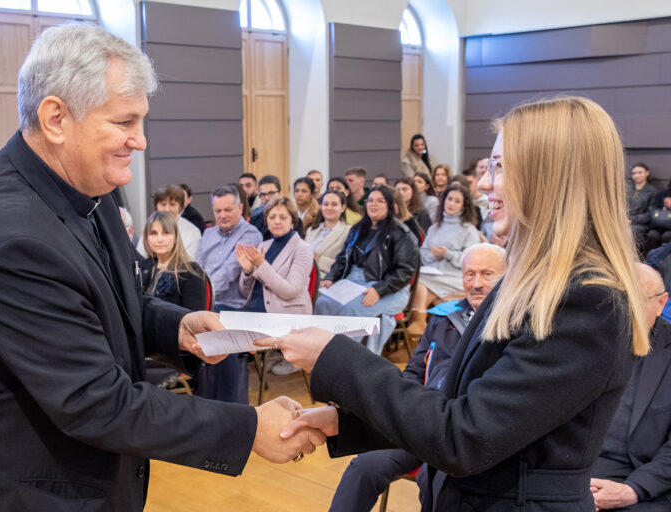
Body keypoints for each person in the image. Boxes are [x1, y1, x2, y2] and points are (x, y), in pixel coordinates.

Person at [0, 25, 325, 511]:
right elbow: (96, 403)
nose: (141, 140)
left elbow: (110, 296)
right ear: (56, 119)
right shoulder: (14, 240)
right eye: (124, 121)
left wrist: (176, 327)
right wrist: (249, 428)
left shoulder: (90, 185)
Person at [272, 96, 650, 512]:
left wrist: (335, 356)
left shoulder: (584, 300)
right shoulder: (535, 282)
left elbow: (465, 438)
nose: (484, 183)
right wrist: (348, 423)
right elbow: (465, 408)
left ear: (549, 176)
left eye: (500, 166)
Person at [328, 243, 506, 512]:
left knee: (432, 481)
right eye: (469, 274)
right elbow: (414, 372)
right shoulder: (444, 317)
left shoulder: (512, 326)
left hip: (464, 433)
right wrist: (401, 411)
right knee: (364, 466)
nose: (476, 283)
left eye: (487, 274)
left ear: (506, 276)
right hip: (422, 421)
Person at [590, 264, 671, 511]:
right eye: (615, 299)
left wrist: (632, 490)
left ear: (661, 303)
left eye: (633, 300)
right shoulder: (582, 340)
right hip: (569, 476)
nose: (622, 310)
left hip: (642, 482)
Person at [315, 187, 419, 355]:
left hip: (389, 287)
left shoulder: (401, 233)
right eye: (370, 200)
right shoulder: (358, 228)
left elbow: (404, 271)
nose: (373, 204)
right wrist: (331, 278)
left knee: (352, 309)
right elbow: (343, 258)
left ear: (390, 205)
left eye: (380, 201)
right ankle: (321, 353)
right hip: (353, 281)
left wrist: (379, 290)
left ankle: (348, 359)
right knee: (323, 302)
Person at [196, 185, 263, 403]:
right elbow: (198, 269)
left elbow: (228, 274)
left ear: (240, 208)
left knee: (216, 323)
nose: (222, 215)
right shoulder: (208, 233)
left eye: (228, 210)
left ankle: (230, 404)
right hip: (208, 301)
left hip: (237, 305)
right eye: (218, 211)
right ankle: (205, 401)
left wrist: (201, 297)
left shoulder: (250, 235)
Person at [237, 197, 314, 375]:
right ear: (267, 221)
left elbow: (290, 291)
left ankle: (234, 385)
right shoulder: (264, 245)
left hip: (284, 313)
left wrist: (261, 265)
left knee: (227, 334)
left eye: (283, 217)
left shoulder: (303, 248)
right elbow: (244, 292)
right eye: (272, 217)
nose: (277, 221)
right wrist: (247, 271)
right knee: (217, 318)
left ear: (292, 221)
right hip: (255, 309)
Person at [409, 184, 481, 335]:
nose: (451, 203)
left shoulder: (469, 229)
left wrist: (447, 254)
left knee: (420, 284)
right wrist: (433, 256)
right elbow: (423, 253)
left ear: (464, 206)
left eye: (457, 201)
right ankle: (419, 326)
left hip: (455, 277)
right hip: (435, 274)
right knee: (421, 281)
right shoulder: (434, 227)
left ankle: (417, 322)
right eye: (449, 199)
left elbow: (471, 260)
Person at [140, 211, 205, 310]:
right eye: (153, 233)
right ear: (146, 238)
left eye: (166, 233)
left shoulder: (190, 271)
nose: (159, 239)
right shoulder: (143, 266)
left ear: (175, 237)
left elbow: (195, 314)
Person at [138, 184, 201, 259]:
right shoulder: (149, 227)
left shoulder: (193, 231)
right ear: (156, 206)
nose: (167, 209)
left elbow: (190, 261)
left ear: (180, 207)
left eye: (172, 204)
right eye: (163, 204)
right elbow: (140, 256)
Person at [305, 190, 352, 279]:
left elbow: (347, 266)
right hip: (305, 276)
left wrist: (318, 259)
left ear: (343, 208)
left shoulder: (349, 231)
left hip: (327, 279)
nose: (329, 208)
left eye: (334, 204)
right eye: (326, 204)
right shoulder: (311, 231)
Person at [250, 175, 304, 239]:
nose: (266, 198)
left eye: (271, 193)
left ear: (280, 194)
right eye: (263, 194)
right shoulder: (254, 221)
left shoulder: (294, 220)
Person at [628, 163, 657, 253]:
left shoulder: (652, 191)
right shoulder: (627, 189)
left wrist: (631, 220)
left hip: (641, 223)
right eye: (634, 173)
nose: (636, 175)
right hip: (624, 221)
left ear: (647, 173)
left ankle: (634, 257)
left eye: (640, 172)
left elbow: (650, 214)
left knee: (632, 231)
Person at [647, 177, 671, 251]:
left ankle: (663, 257)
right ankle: (650, 256)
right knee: (652, 235)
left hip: (669, 227)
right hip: (658, 223)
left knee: (666, 236)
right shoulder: (663, 194)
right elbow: (654, 209)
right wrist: (664, 207)